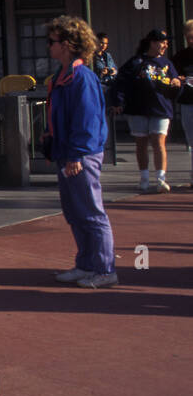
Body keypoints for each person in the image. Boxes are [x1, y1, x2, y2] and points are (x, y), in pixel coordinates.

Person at [43, 17, 117, 288]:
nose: (48, 46)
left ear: (67, 45)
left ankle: (104, 268)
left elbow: (87, 120)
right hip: (68, 151)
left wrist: (76, 155)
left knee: (91, 211)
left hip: (80, 154)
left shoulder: (81, 77)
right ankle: (87, 264)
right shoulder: (64, 76)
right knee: (75, 211)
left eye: (52, 41)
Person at [109, 29, 182, 194]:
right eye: (161, 42)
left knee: (159, 143)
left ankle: (161, 179)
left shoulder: (167, 64)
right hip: (138, 109)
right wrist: (118, 101)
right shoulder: (136, 61)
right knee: (141, 144)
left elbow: (175, 85)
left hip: (161, 109)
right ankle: (144, 178)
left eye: (165, 43)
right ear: (151, 42)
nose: (164, 45)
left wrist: (177, 83)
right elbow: (120, 82)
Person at [170, 21, 193, 187]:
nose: (190, 40)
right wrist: (178, 79)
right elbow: (172, 75)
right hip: (187, 102)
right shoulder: (180, 56)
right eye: (188, 37)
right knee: (191, 141)